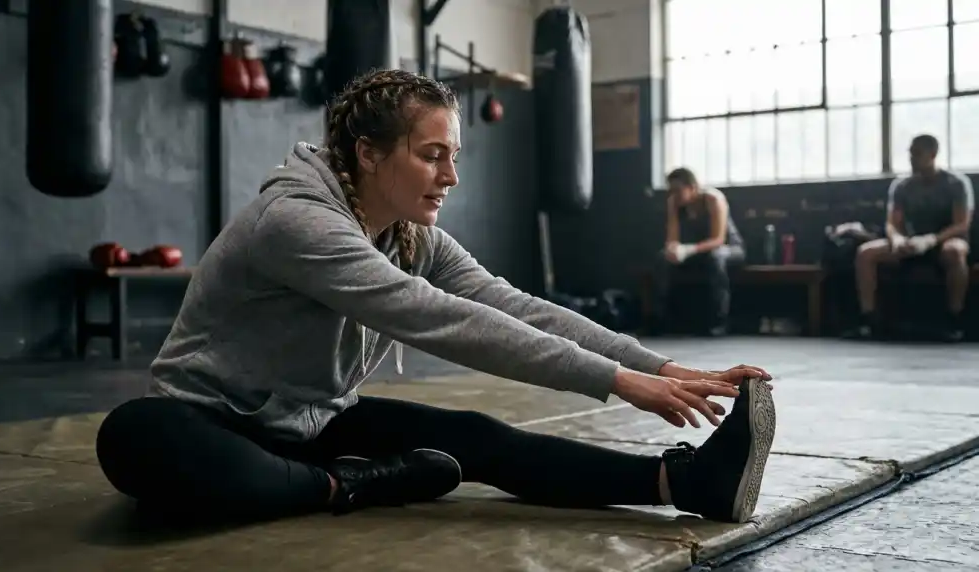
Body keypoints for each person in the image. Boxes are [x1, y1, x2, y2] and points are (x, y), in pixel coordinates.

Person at [95, 69, 776, 527]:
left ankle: (684, 483)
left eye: (454, 157)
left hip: (309, 424)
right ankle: (357, 485)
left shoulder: (409, 233)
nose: (450, 176)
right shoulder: (298, 223)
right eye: (431, 155)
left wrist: (659, 367)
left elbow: (512, 306)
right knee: (134, 436)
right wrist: (615, 382)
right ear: (367, 153)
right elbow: (436, 318)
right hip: (213, 424)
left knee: (474, 437)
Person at [852, 134, 974, 342]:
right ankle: (869, 321)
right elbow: (892, 223)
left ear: (933, 154)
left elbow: (961, 224)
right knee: (866, 253)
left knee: (954, 252)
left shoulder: (956, 183)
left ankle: (955, 320)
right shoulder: (901, 186)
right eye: (910, 153)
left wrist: (931, 240)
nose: (911, 158)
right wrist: (898, 240)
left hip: (943, 242)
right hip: (909, 244)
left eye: (917, 153)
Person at [651, 168, 746, 336]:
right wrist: (673, 249)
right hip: (697, 251)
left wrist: (688, 250)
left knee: (716, 258)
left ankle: (719, 322)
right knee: (662, 258)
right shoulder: (674, 202)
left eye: (678, 190)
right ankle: (661, 320)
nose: (675, 194)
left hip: (729, 248)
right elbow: (672, 237)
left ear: (693, 187)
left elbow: (718, 239)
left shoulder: (713, 199)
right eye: (671, 190)